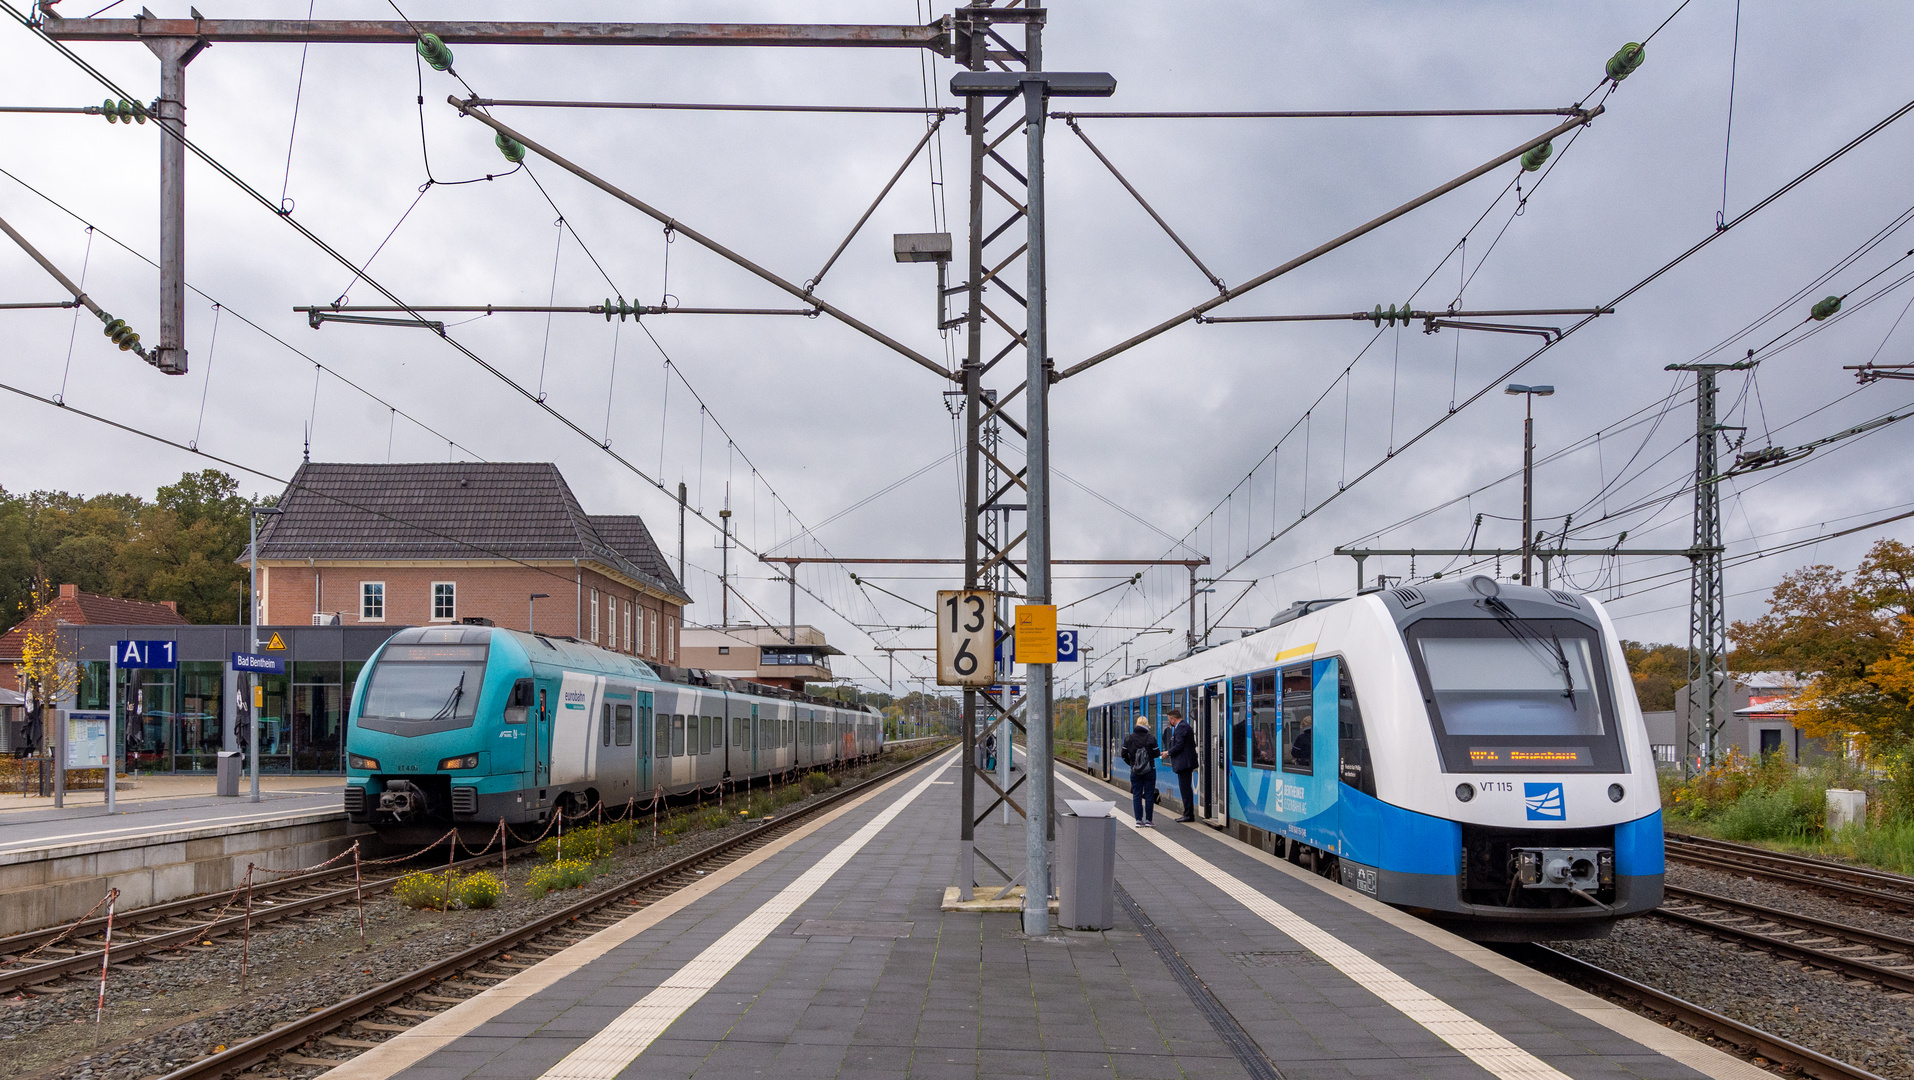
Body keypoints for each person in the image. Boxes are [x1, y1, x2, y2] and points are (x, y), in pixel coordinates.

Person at [1161, 707, 1199, 822]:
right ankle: (1187, 813)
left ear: (1173, 719)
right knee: (1185, 788)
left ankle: (1188, 814)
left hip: (1184, 763)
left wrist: (1168, 753)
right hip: (1184, 763)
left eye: (1170, 720)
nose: (1170, 722)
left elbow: (1179, 745)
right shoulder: (1183, 727)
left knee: (1185, 789)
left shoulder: (1181, 727)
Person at [1121, 715, 1159, 827]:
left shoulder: (1129, 738)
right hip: (1149, 771)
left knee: (1137, 795)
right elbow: (1156, 754)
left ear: (1136, 724)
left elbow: (1123, 755)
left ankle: (1138, 820)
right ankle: (1148, 821)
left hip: (1135, 771)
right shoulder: (1151, 738)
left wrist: (1132, 764)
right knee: (1149, 795)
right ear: (1147, 725)